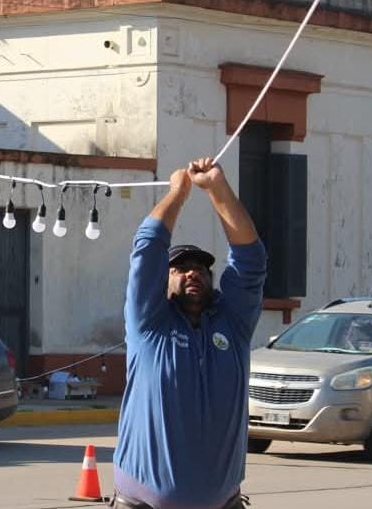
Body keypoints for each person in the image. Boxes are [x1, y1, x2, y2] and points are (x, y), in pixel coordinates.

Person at [112, 158, 267, 509]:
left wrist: (216, 188)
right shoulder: (148, 324)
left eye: (199, 268)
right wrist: (178, 195)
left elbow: (251, 260)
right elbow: (148, 250)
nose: (192, 273)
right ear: (163, 281)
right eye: (180, 268)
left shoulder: (234, 325)